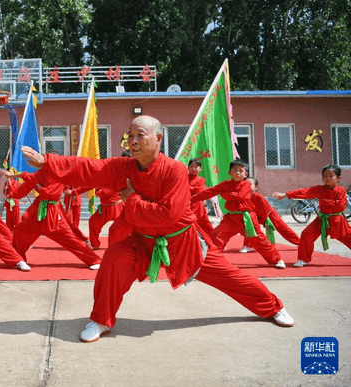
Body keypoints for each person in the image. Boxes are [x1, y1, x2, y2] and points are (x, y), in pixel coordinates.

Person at [19, 115, 293, 343]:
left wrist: (131, 198)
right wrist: (48, 162)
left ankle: (273, 307)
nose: (133, 142)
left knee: (232, 277)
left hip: (183, 243)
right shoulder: (124, 167)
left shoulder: (174, 171)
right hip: (142, 241)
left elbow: (168, 215)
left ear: (158, 139)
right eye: (130, 136)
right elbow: (90, 168)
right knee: (114, 259)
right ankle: (101, 320)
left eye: (140, 135)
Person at [191, 160, 286, 269]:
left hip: (247, 219)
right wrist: (192, 199)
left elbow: (240, 196)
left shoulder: (246, 184)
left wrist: (224, 194)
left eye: (241, 171)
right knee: (216, 237)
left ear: (246, 174)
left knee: (260, 241)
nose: (237, 173)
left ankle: (277, 260)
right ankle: (208, 260)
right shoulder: (225, 184)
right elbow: (210, 192)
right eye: (235, 170)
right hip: (231, 218)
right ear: (229, 172)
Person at [3, 169, 102, 269]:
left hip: (52, 215)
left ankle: (94, 260)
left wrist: (38, 186)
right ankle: (17, 260)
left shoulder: (60, 176)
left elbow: (49, 194)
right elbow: (27, 177)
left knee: (71, 240)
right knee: (20, 231)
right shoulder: (41, 173)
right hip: (36, 214)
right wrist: (12, 187)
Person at [273, 164, 351, 267]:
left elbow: (340, 206)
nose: (327, 178)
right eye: (324, 176)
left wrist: (324, 201)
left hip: (337, 221)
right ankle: (303, 259)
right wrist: (286, 194)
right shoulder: (320, 189)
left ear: (338, 178)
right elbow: (305, 191)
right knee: (306, 234)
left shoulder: (341, 191)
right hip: (322, 219)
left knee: (348, 237)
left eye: (330, 176)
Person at [241, 177, 299, 253]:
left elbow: (264, 210)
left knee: (283, 229)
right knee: (249, 227)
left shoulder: (259, 197)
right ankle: (248, 246)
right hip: (255, 216)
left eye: (250, 184)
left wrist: (264, 221)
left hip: (269, 215)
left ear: (256, 188)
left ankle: (299, 242)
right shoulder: (243, 197)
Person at [187, 158, 214, 236]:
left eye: (196, 167)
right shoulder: (184, 177)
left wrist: (188, 189)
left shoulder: (201, 180)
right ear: (188, 167)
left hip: (198, 205)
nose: (194, 169)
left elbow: (199, 191)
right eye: (191, 166)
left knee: (204, 222)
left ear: (200, 168)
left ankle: (213, 238)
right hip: (186, 205)